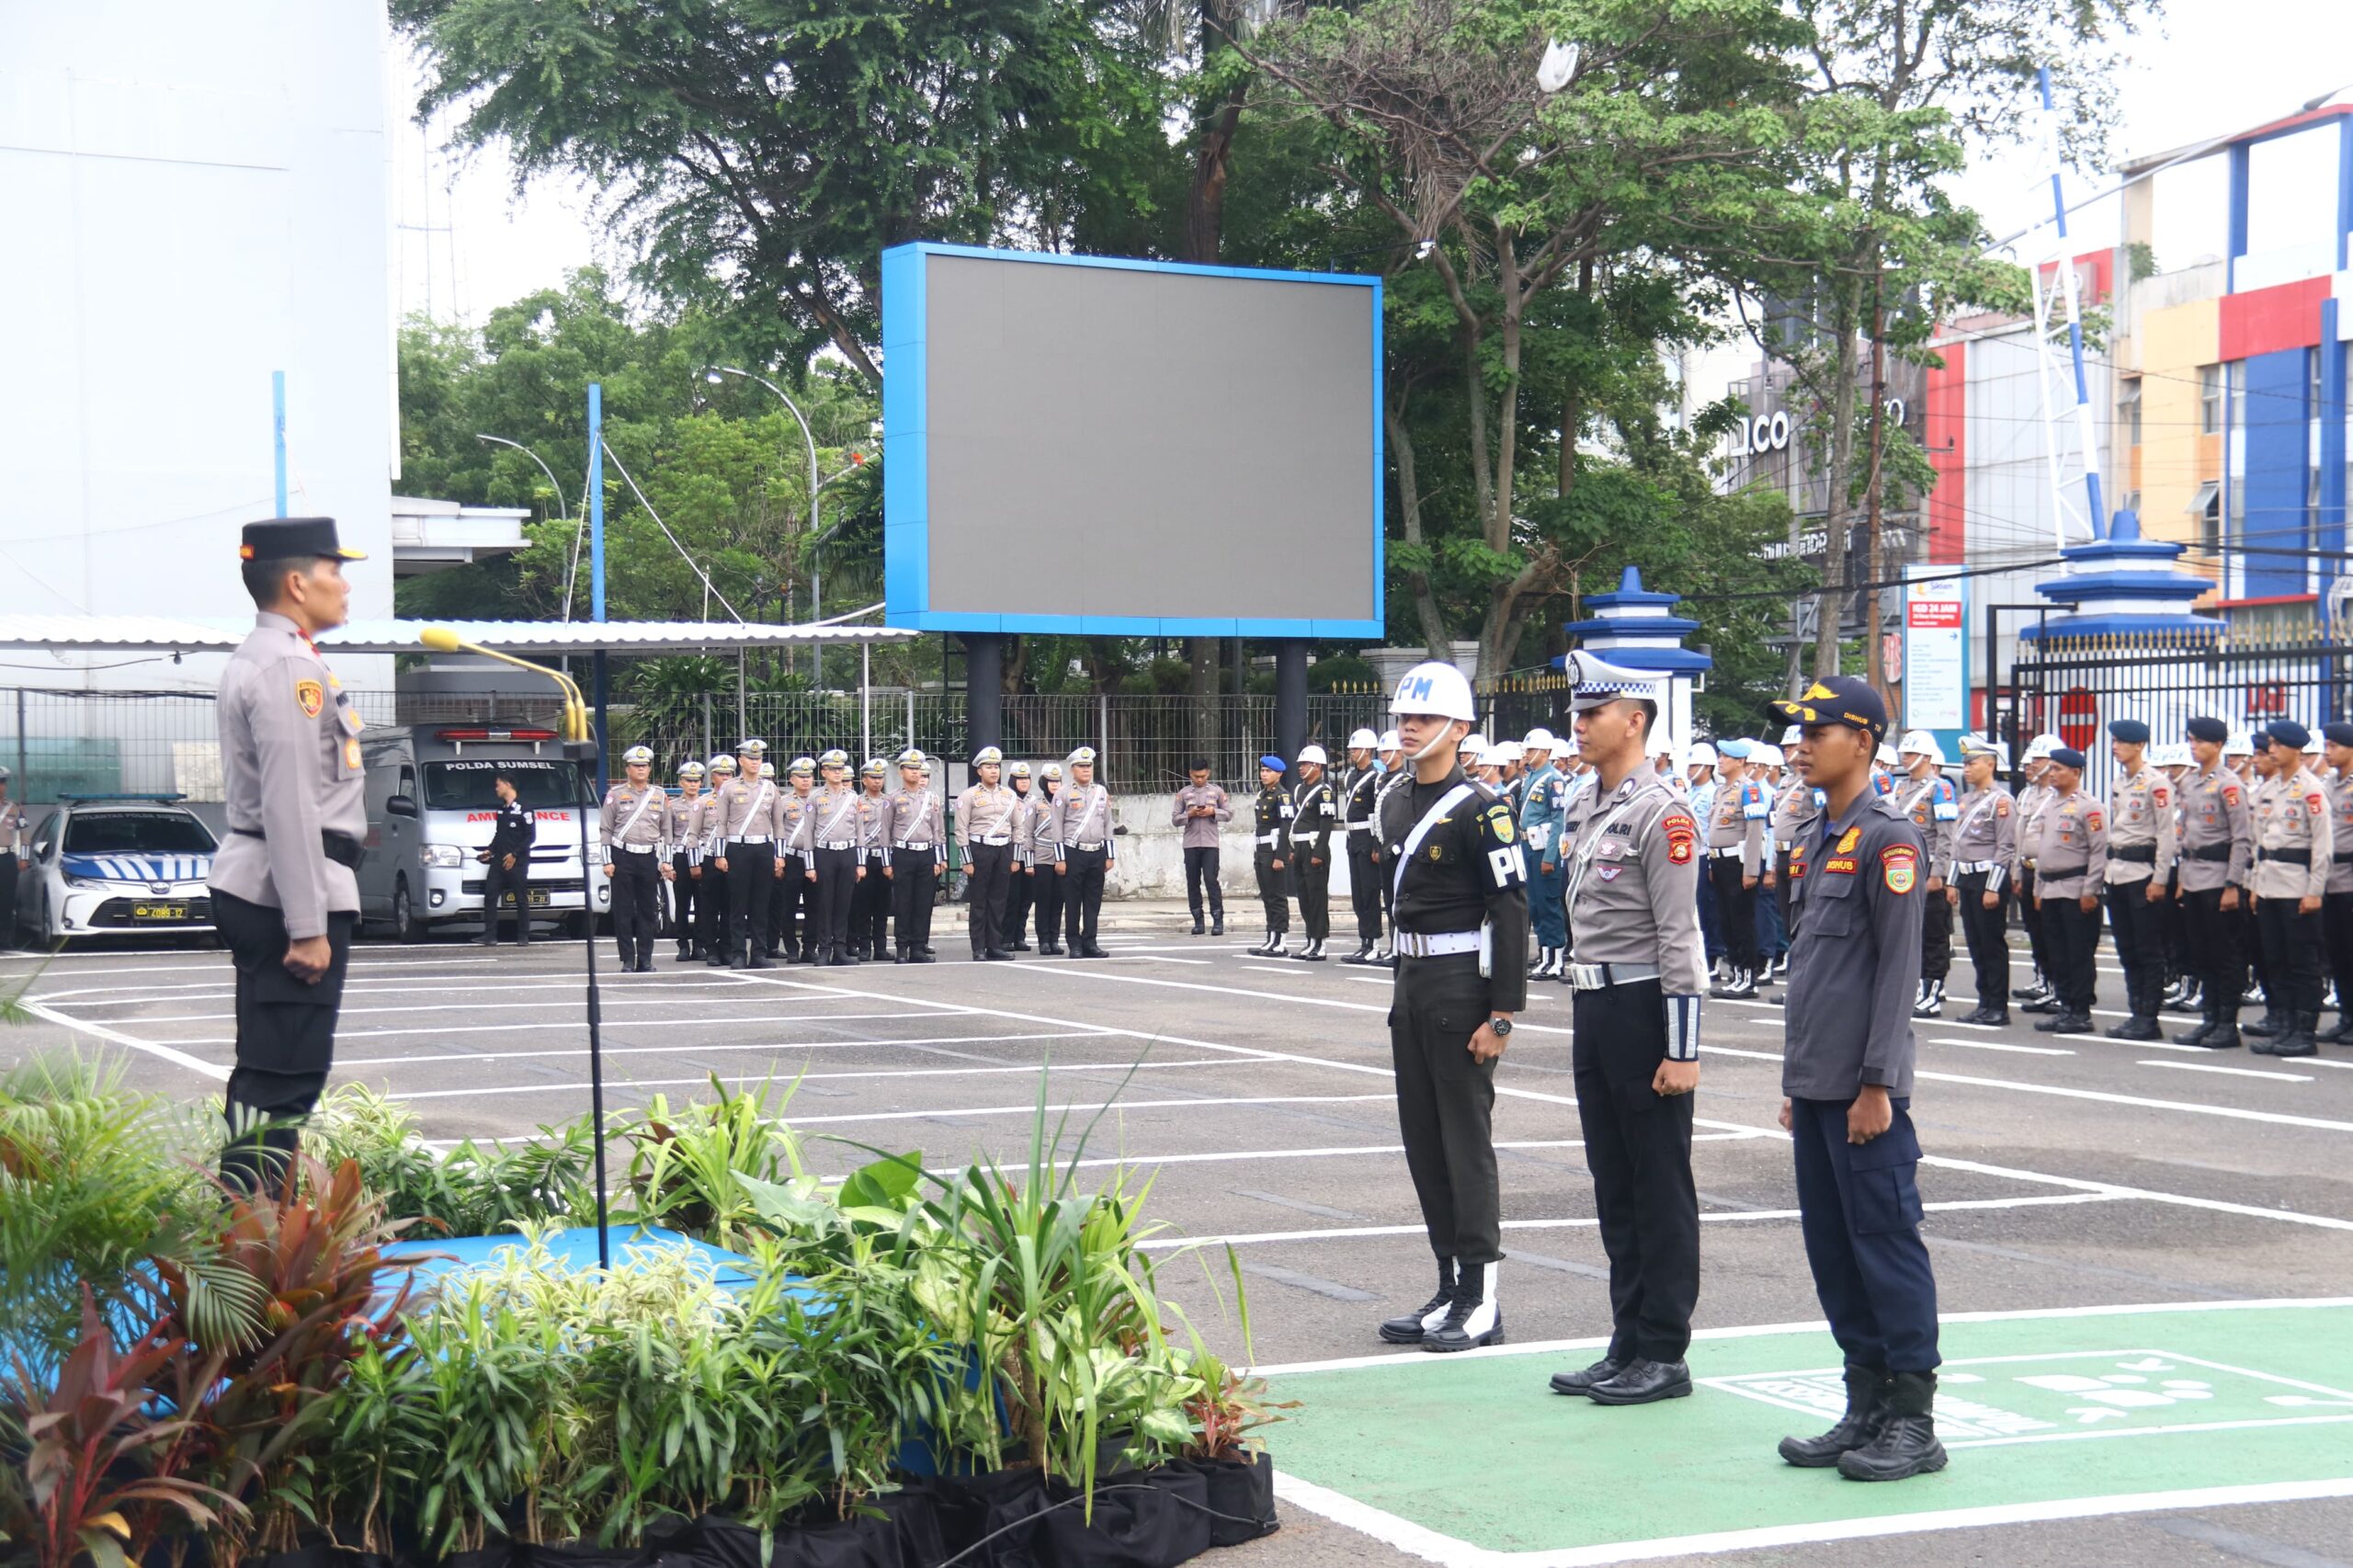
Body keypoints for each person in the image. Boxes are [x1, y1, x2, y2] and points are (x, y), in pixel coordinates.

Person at [1769, 675, 1944, 1483]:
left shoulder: (1889, 839)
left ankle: (1913, 1420)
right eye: (1798, 734)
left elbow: (1896, 972)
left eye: (1817, 733)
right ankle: (1864, 1404)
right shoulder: (1815, 833)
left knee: (1885, 1246)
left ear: (1863, 743)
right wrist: (1797, 1079)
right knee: (1834, 1252)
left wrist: (1877, 1084)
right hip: (1818, 1083)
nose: (1800, 746)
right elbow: (1812, 968)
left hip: (1865, 1091)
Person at [1543, 653, 1705, 1406]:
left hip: (1644, 1010)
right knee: (1614, 1181)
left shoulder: (1663, 812)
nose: (1578, 726)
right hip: (1594, 1007)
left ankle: (1664, 1349)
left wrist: (1683, 1048)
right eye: (1577, 714)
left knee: (1658, 1184)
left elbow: (1680, 936)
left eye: (1592, 714)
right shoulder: (1587, 801)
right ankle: (1628, 1340)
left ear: (1634, 721)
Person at [207, 516, 369, 1193]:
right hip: (287, 895)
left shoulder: (274, 656)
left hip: (271, 884)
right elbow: (290, 802)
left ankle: (248, 1229)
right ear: (298, 583)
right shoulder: (289, 667)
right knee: (283, 1080)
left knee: (273, 1074)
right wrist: (307, 925)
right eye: (335, 571)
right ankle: (252, 1234)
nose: (345, 585)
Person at [1371, 661, 1528, 1354]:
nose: (1410, 728)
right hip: (1411, 981)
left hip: (1463, 984)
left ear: (1461, 728)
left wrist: (1502, 1013)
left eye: (1426, 719)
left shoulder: (1481, 808)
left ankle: (1481, 1297)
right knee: (1424, 1142)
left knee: (1465, 1143)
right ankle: (1449, 1285)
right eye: (1404, 718)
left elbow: (1511, 909)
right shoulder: (1395, 799)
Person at [2246, 722, 2331, 1057]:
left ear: (2296, 749)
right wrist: (2255, 886)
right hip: (2269, 886)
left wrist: (2315, 890)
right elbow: (2259, 844)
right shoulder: (2269, 789)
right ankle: (2284, 1026)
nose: (2272, 750)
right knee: (2275, 960)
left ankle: (2304, 1033)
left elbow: (2322, 845)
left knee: (2302, 963)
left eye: (2278, 745)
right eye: (2270, 744)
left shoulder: (2310, 789)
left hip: (2297, 888)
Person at [2097, 719, 2177, 1040]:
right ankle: (2135, 1012)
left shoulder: (2156, 783)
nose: (2115, 747)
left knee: (2148, 950)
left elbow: (2166, 835)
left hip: (2142, 875)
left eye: (2121, 741)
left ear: (2139, 745)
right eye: (2114, 741)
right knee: (2127, 949)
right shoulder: (2120, 782)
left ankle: (2149, 1018)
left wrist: (2160, 879)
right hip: (2118, 874)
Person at [2171, 721, 2248, 1044]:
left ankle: (2227, 1024)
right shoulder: (2189, 782)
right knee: (2201, 952)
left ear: (2217, 745)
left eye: (2201, 741)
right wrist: (2181, 879)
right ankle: (2210, 1018)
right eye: (2191, 740)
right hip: (2193, 876)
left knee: (2224, 954)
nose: (2194, 746)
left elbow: (2242, 838)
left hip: (2218, 878)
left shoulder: (2229, 785)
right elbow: (2185, 834)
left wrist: (2232, 884)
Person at [2025, 747, 2105, 1036]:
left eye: (2058, 769)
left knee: (2077, 953)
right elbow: (2044, 853)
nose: (2052, 774)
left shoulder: (2089, 806)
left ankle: (2080, 1011)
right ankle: (2065, 1005)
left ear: (2076, 772)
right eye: (2052, 768)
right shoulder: (2049, 805)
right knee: (2057, 953)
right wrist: (2038, 888)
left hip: (2075, 889)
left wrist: (2090, 890)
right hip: (2050, 888)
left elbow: (2099, 852)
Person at [1946, 737, 2016, 1026]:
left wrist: (1992, 887)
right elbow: (1958, 844)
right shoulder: (1966, 801)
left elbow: (2006, 846)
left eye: (1972, 763)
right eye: (1965, 764)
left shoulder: (2001, 801)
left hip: (1988, 878)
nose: (1966, 769)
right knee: (1975, 944)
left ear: (1990, 764)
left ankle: (1998, 1005)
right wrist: (1953, 882)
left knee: (1991, 945)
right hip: (1967, 877)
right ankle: (1984, 1002)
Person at [1893, 733, 1958, 1018]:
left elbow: (1946, 836)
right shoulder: (1900, 787)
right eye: (1904, 753)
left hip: (1928, 867)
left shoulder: (1940, 788)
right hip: (1902, 867)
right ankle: (1916, 988)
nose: (1904, 757)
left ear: (1926, 757)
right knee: (1910, 933)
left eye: (1910, 753)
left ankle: (1933, 992)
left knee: (1933, 933)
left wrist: (1939, 873)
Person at [1706, 738, 1769, 999]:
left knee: (1742, 922)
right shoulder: (1721, 791)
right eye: (1720, 755)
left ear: (1741, 761)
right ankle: (1736, 974)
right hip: (1719, 861)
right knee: (1726, 922)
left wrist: (1751, 870)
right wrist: (1712, 863)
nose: (1720, 760)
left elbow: (1755, 831)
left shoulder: (1749, 790)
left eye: (1726, 756)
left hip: (1738, 863)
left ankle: (1747, 979)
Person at [710, 740, 781, 969]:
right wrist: (719, 854)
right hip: (738, 849)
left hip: (763, 848)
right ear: (741, 760)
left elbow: (778, 824)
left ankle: (759, 953)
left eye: (758, 758)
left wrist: (779, 855)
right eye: (750, 758)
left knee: (761, 904)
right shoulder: (728, 788)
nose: (755, 762)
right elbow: (721, 823)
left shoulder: (770, 788)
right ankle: (738, 954)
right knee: (738, 905)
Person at [793, 749, 866, 967]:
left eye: (840, 768)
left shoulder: (853, 797)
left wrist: (861, 863)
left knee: (844, 903)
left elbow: (860, 831)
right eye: (832, 769)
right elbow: (808, 833)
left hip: (848, 853)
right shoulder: (815, 798)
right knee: (824, 904)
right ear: (823, 772)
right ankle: (824, 949)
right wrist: (810, 866)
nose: (837, 772)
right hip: (824, 853)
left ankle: (840, 949)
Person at [600, 744, 669, 973]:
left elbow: (667, 831)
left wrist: (666, 861)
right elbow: (606, 829)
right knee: (623, 910)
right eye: (636, 765)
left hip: (648, 857)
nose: (641, 769)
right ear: (627, 769)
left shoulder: (659, 795)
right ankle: (628, 959)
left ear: (649, 769)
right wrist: (607, 861)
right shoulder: (615, 794)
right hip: (623, 856)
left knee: (649, 910)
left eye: (644, 765)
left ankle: (645, 959)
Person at [955, 746, 1025, 960]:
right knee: (979, 901)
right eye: (988, 767)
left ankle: (995, 945)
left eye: (996, 766)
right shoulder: (969, 795)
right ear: (979, 771)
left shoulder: (1009, 795)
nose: (994, 771)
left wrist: (1016, 857)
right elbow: (961, 829)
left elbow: (1018, 827)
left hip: (1003, 849)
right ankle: (978, 947)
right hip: (980, 849)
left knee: (998, 900)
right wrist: (967, 860)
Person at [1765, 725, 1818, 991]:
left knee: (1803, 919)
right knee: (1788, 921)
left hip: (1803, 856)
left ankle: (1808, 983)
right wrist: (1774, 863)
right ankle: (1797, 984)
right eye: (1784, 747)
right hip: (1783, 855)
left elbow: (1820, 820)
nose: (1786, 750)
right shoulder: (1786, 782)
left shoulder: (1814, 781)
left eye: (1791, 746)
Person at [2010, 736, 2061, 1006]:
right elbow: (2019, 837)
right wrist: (2017, 872)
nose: (2030, 766)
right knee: (2034, 930)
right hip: (2027, 870)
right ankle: (2041, 977)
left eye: (2037, 760)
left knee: (2050, 932)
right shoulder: (2026, 794)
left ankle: (2055, 983)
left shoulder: (2057, 795)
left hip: (2047, 873)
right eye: (2029, 761)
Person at [1052, 745, 1115, 958]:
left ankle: (1090, 941)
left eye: (1089, 765)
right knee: (1073, 900)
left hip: (1096, 852)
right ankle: (1074, 943)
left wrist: (1110, 854)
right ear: (1072, 769)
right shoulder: (1063, 794)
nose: (1086, 769)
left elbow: (1108, 823)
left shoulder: (1101, 792)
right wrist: (1060, 858)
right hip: (1073, 852)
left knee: (1093, 900)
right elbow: (1057, 827)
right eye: (1081, 766)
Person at [884, 749, 946, 963]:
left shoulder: (931, 798)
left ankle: (918, 947)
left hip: (926, 853)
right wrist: (887, 863)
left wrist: (940, 859)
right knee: (903, 902)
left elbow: (938, 831)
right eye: (910, 768)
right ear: (901, 771)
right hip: (903, 853)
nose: (915, 772)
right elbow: (886, 832)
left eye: (918, 768)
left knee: (923, 902)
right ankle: (902, 948)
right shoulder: (892, 798)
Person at [1519, 728, 1567, 981]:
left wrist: (1550, 856)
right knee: (1535, 905)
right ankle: (1545, 956)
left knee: (1549, 903)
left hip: (1543, 848)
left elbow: (1558, 820)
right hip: (1528, 845)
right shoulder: (1531, 777)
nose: (1526, 754)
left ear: (1545, 752)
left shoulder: (1553, 779)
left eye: (1531, 749)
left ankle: (1556, 960)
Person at [1288, 744, 1338, 960]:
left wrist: (1319, 852)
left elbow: (1326, 825)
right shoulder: (1299, 790)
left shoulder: (1324, 792)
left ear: (1317, 766)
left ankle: (1320, 942)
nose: (1300, 768)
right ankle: (1310, 939)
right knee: (1304, 896)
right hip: (1299, 847)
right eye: (1300, 764)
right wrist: (1291, 849)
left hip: (1314, 847)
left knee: (1317, 897)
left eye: (1305, 764)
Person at [476, 770, 537, 947]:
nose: (496, 788)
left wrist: (515, 854)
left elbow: (530, 837)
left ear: (508, 784)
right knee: (490, 895)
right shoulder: (502, 810)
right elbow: (499, 835)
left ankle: (523, 936)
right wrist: (489, 850)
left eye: (498, 785)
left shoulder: (524, 809)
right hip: (498, 861)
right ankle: (490, 935)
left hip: (517, 862)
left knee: (521, 898)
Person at [1175, 758, 1233, 938]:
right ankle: (1198, 921)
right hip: (1191, 844)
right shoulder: (1184, 793)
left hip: (1210, 844)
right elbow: (1175, 819)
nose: (1199, 780)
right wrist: (1190, 814)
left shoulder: (1217, 792)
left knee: (1210, 880)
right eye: (1195, 776)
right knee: (1193, 882)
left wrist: (1213, 812)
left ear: (1208, 773)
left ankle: (1217, 920)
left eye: (1202, 776)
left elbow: (1229, 813)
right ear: (1190, 774)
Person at [2321, 722, 2353, 1043]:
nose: (2327, 752)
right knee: (2338, 954)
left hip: (2351, 880)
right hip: (2330, 880)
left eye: (2334, 746)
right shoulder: (2328, 784)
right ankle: (2346, 1016)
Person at [1339, 732, 1384, 960]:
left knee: (1369, 893)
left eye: (1355, 749)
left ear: (1367, 751)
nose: (1352, 752)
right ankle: (1364, 941)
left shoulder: (1375, 777)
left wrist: (1376, 846)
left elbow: (1377, 813)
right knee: (1358, 895)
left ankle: (1374, 942)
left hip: (1368, 838)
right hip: (1353, 839)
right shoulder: (1350, 776)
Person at [773, 757, 817, 961]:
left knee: (814, 906)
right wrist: (779, 858)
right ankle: (792, 948)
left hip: (815, 859)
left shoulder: (819, 800)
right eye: (800, 776)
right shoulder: (784, 803)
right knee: (788, 906)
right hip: (792, 859)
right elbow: (778, 831)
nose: (805, 780)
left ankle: (810, 948)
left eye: (808, 776)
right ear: (792, 779)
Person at [665, 760, 708, 961]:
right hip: (681, 857)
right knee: (682, 903)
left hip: (702, 856)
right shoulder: (673, 806)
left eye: (696, 780)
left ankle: (699, 945)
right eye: (689, 780)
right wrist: (668, 863)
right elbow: (667, 836)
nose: (693, 784)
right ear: (681, 782)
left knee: (702, 902)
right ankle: (683, 944)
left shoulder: (707, 803)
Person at [1249, 756, 1292, 956]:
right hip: (1261, 850)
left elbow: (1285, 827)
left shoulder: (1282, 796)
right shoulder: (1263, 794)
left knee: (1277, 897)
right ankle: (1271, 937)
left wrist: (1280, 857)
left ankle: (1280, 940)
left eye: (1268, 771)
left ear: (1279, 774)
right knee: (1267, 896)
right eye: (1263, 770)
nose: (1264, 774)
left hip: (1274, 851)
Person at [851, 758, 893, 960]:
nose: (877, 781)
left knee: (882, 905)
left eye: (880, 777)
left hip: (884, 858)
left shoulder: (889, 801)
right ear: (864, 780)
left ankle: (881, 948)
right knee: (863, 905)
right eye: (873, 777)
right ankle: (864, 947)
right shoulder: (857, 802)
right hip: (865, 857)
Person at [1372, 731, 1407, 965]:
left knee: (1398, 900)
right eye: (1381, 752)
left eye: (1386, 751)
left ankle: (1400, 946)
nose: (1383, 755)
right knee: (1388, 900)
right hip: (1383, 847)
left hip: (1398, 850)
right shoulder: (1381, 780)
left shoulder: (1405, 780)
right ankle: (1393, 945)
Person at [1029, 763, 1067, 954]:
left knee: (1058, 900)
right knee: (1043, 901)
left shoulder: (1065, 802)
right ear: (1043, 783)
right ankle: (1043, 940)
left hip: (1062, 859)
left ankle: (1054, 939)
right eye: (1050, 781)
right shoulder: (1035, 804)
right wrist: (1029, 862)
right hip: (1042, 858)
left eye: (1057, 781)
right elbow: (1028, 834)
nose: (1054, 785)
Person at [1002, 762, 1038, 952]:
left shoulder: (1035, 801)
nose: (1024, 782)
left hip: (1030, 857)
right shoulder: (1006, 797)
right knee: (1011, 899)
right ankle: (1006, 937)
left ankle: (1019, 937)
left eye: (1026, 778)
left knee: (1026, 900)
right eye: (1020, 778)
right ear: (1012, 780)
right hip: (1011, 856)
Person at [0, 766, 25, 948]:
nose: (0, 786)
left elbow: (25, 834)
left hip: (6, 859)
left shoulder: (14, 808)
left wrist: (24, 858)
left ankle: (4, 938)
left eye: (2, 782)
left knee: (7, 899)